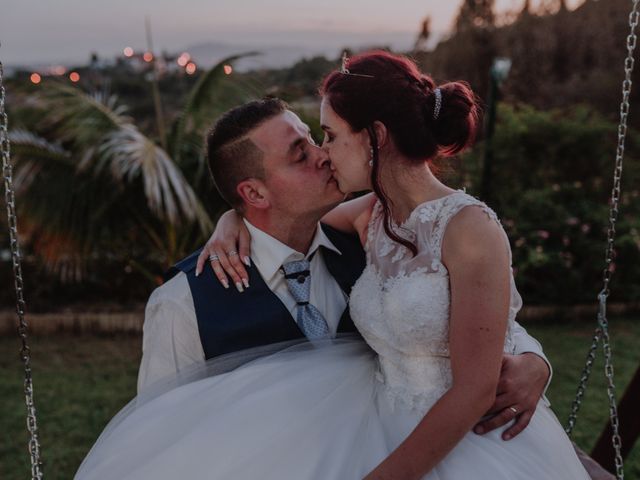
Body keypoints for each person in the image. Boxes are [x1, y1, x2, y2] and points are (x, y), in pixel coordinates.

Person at [73, 54, 583, 478]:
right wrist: (232, 219)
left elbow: (477, 318)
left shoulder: (365, 236)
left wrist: (535, 360)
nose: (322, 154)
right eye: (302, 152)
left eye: (324, 137)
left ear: (375, 137)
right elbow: (163, 440)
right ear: (253, 192)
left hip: (429, 452)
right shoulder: (184, 304)